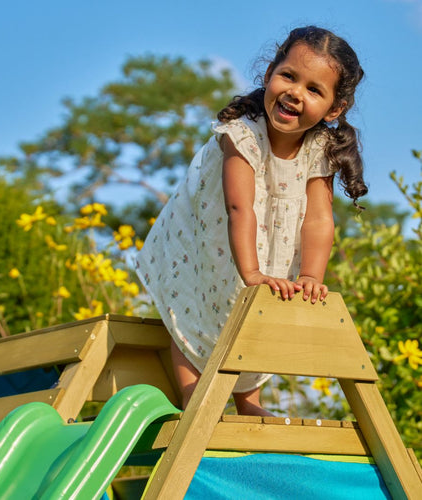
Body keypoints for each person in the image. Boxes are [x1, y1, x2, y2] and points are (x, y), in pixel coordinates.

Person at [135, 26, 368, 416]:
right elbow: (239, 207)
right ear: (269, 74)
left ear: (333, 109)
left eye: (314, 89)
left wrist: (312, 275)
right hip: (209, 239)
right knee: (191, 301)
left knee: (263, 310)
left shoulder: (320, 149)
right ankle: (192, 391)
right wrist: (251, 270)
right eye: (289, 76)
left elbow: (318, 220)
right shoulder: (240, 135)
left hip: (270, 245)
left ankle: (248, 399)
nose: (296, 92)